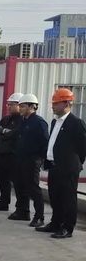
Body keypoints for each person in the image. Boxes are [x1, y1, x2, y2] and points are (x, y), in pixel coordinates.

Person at [36, 89, 86, 238]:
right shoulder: (55, 122)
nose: (53, 106)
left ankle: (67, 227)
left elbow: (83, 147)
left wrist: (76, 163)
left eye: (56, 103)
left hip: (68, 168)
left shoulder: (76, 123)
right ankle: (55, 223)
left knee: (68, 198)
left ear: (66, 103)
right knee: (55, 196)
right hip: (54, 165)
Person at [10, 93, 48, 228]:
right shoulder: (23, 121)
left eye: (23, 106)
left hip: (32, 160)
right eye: (19, 106)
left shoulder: (39, 122)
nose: (20, 108)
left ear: (32, 106)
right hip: (20, 158)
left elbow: (45, 142)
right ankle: (22, 211)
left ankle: (39, 216)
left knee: (33, 188)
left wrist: (40, 159)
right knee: (19, 185)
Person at [0, 94, 23, 211]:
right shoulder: (6, 119)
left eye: (11, 104)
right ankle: (3, 202)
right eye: (8, 104)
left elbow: (15, 134)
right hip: (2, 154)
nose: (8, 107)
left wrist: (4, 132)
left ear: (19, 105)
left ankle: (21, 208)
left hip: (14, 156)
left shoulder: (22, 120)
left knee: (18, 183)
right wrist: (5, 131)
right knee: (3, 180)